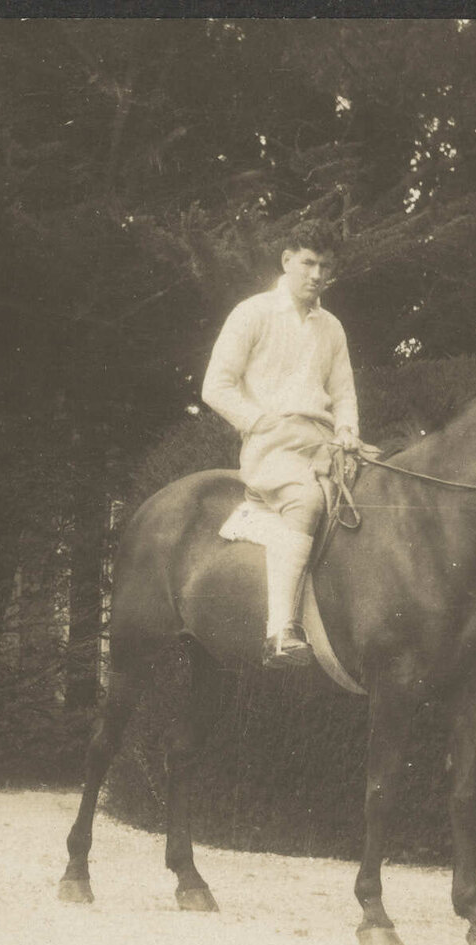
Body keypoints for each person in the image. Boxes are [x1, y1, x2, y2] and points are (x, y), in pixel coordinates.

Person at [200, 219, 360, 671]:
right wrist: (260, 421)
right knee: (307, 502)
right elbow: (216, 386)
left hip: (326, 443)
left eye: (325, 266)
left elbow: (344, 393)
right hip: (273, 446)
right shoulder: (252, 314)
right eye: (308, 262)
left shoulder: (331, 327)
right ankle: (281, 632)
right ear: (286, 260)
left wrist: (347, 430)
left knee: (380, 488)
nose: (316, 274)